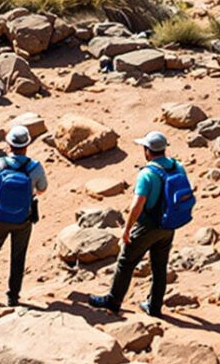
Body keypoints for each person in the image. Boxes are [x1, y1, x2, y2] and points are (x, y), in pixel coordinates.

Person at [82, 131, 194, 317]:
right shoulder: (178, 166)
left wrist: (126, 230)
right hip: (169, 224)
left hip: (147, 226)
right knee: (159, 266)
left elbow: (137, 205)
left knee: (126, 261)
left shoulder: (147, 173)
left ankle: (113, 301)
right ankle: (154, 306)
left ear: (147, 150)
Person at [0, 125, 47, 305]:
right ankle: (13, 297)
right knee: (18, 256)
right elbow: (42, 189)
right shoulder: (35, 167)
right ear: (27, 145)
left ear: (9, 144)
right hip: (23, 218)